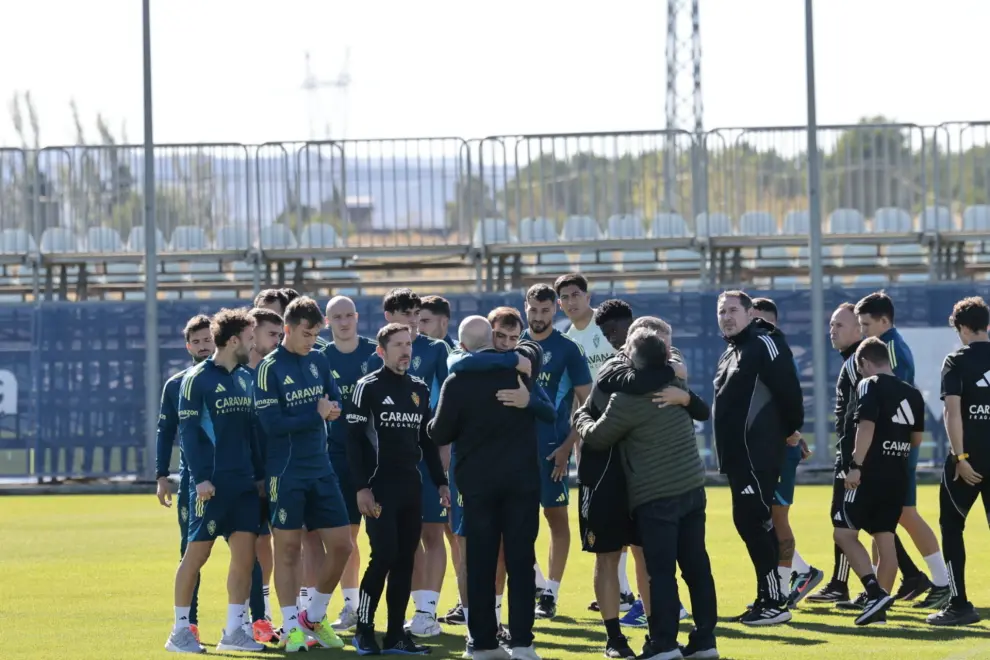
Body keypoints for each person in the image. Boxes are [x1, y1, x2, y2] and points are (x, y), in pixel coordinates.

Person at [575, 326, 718, 660]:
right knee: (697, 568)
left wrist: (581, 416)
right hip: (693, 488)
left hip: (656, 496)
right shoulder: (676, 381)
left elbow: (597, 437)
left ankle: (663, 645)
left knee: (661, 573)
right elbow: (700, 409)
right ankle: (705, 641)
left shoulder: (627, 400)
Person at [429, 315, 550, 660]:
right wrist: (527, 400)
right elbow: (551, 412)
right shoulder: (519, 373)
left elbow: (440, 433)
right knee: (520, 562)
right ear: (493, 338)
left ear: (462, 346)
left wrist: (430, 422)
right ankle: (523, 644)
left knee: (480, 564)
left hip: (477, 485)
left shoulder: (457, 381)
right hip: (521, 482)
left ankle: (483, 643)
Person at [346, 322, 451, 655]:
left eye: (408, 344)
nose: (406, 351)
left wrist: (441, 482)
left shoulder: (419, 388)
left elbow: (426, 441)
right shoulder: (367, 387)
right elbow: (352, 442)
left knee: (406, 559)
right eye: (398, 345)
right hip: (378, 489)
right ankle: (364, 631)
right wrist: (361, 488)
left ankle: (395, 635)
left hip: (410, 487)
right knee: (384, 555)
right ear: (381, 351)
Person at [255, 296, 352, 652]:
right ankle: (290, 627)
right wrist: (317, 414)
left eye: (315, 334)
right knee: (288, 549)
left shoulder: (319, 359)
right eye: (306, 334)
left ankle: (313, 616)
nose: (312, 340)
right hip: (286, 473)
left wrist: (333, 409)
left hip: (321, 469)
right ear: (288, 329)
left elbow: (333, 399)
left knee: (342, 546)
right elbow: (272, 425)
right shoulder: (268, 368)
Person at [165, 309, 265, 654]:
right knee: (196, 556)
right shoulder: (197, 379)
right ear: (234, 341)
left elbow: (253, 433)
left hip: (243, 484)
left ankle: (234, 631)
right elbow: (189, 434)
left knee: (245, 557)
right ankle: (180, 632)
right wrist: (201, 479)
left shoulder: (246, 378)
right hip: (211, 486)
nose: (253, 346)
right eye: (250, 339)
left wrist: (259, 476)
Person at [712, 290, 803, 626]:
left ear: (750, 314)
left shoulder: (765, 343)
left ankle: (775, 602)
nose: (726, 317)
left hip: (757, 453)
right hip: (737, 455)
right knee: (749, 522)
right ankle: (768, 597)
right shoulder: (731, 351)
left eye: (733, 310)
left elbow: (789, 391)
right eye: (722, 311)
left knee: (755, 522)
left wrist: (789, 430)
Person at [854, 291, 950, 605]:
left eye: (866, 324)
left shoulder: (891, 349)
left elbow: (896, 396)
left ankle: (942, 582)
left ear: (884, 320)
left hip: (894, 448)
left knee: (905, 514)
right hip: (895, 446)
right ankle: (878, 590)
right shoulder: (891, 345)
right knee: (882, 518)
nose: (862, 331)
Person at [557, 282, 637, 618]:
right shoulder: (568, 339)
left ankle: (654, 597)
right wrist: (575, 440)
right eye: (564, 297)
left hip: (624, 433)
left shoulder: (610, 329)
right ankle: (622, 591)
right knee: (608, 517)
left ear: (588, 297)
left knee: (633, 516)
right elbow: (578, 400)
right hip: (592, 437)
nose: (570, 301)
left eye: (576, 294)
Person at [833, 337, 925, 626]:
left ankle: (874, 593)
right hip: (897, 475)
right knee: (885, 539)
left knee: (843, 533)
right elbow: (916, 439)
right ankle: (878, 612)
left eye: (860, 368)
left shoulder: (868, 384)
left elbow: (866, 426)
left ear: (864, 363)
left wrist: (856, 466)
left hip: (869, 474)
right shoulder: (913, 393)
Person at [382, 288, 452, 636]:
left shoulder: (437, 349)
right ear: (389, 317)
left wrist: (445, 449)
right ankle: (415, 608)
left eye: (416, 314)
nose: (412, 320)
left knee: (433, 532)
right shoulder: (380, 351)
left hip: (430, 454)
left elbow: (451, 400)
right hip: (394, 461)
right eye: (405, 313)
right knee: (402, 536)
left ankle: (428, 612)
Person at [522, 283, 593, 619]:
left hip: (552, 450)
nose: (539, 316)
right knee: (514, 521)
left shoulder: (568, 349)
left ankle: (550, 591)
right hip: (512, 452)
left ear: (556, 309)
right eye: (533, 310)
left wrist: (567, 447)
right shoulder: (512, 343)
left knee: (556, 518)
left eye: (545, 310)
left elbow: (588, 404)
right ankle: (535, 580)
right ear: (525, 307)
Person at [750, 297, 823, 605]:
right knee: (762, 520)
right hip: (765, 448)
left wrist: (792, 432)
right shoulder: (751, 353)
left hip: (780, 450)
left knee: (777, 518)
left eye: (761, 321)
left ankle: (781, 589)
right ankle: (801, 572)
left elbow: (789, 398)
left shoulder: (778, 354)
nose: (756, 327)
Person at [319, 295, 383, 634]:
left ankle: (411, 610)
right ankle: (352, 606)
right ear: (326, 322)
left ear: (357, 317)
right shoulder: (320, 358)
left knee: (389, 537)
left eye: (348, 315)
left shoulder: (375, 353)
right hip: (337, 455)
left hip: (378, 456)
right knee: (347, 536)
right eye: (336, 317)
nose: (343, 322)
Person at [929, 296, 990, 626]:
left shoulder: (955, 360)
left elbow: (952, 413)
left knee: (952, 528)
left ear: (963, 327)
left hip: (967, 461)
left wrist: (961, 458)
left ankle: (959, 605)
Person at [155, 314, 214, 647]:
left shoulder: (234, 378)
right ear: (187, 345)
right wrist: (161, 475)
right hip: (193, 479)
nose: (203, 346)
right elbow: (166, 431)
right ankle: (188, 625)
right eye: (197, 341)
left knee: (248, 550)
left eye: (208, 339)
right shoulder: (176, 384)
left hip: (234, 475)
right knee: (190, 552)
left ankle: (250, 622)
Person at [808, 303, 862, 604]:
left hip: (854, 457)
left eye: (839, 325)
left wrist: (852, 458)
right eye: (831, 324)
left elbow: (859, 416)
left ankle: (843, 585)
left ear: (859, 328)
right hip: (855, 454)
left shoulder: (857, 363)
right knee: (865, 522)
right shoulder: (853, 361)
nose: (832, 330)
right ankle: (911, 576)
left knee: (844, 521)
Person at [243, 307, 285, 642]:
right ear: (252, 333)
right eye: (271, 334)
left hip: (283, 469)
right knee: (253, 543)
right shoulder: (238, 375)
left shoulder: (283, 370)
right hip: (248, 476)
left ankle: (298, 615)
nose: (277, 341)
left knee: (289, 540)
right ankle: (258, 614)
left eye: (280, 335)